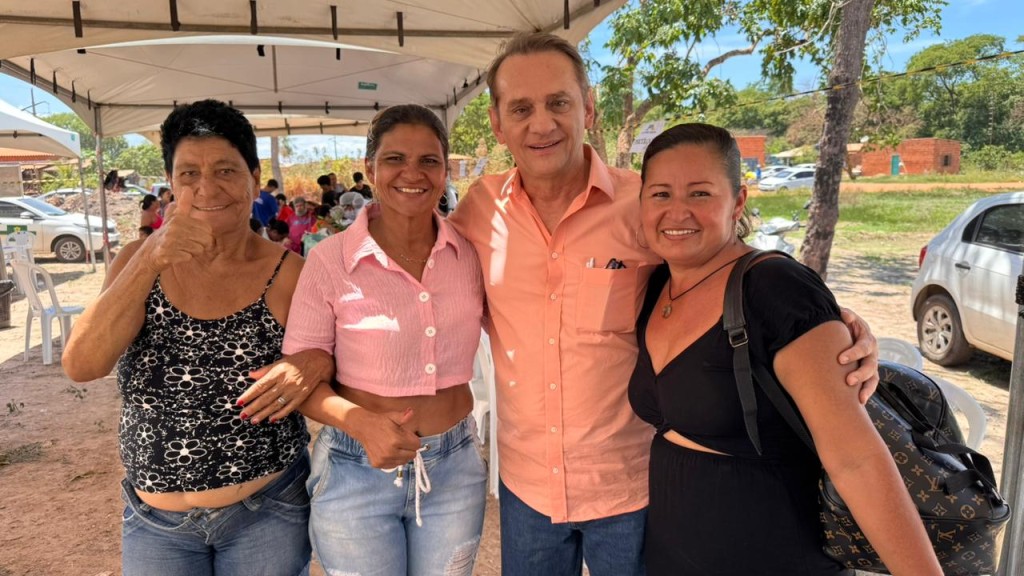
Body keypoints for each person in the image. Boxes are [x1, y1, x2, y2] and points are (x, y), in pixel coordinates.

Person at [448, 32, 880, 576]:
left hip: (633, 488)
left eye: (558, 102)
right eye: (521, 108)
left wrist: (835, 324)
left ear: (588, 108)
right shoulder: (480, 209)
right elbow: (428, 286)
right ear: (496, 122)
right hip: (527, 488)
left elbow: (734, 269)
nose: (542, 124)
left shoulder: (647, 202)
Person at [628, 123, 941, 575]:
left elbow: (856, 460)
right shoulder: (656, 285)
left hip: (776, 557)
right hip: (670, 558)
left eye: (700, 193)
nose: (678, 211)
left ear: (738, 202)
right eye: (661, 194)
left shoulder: (776, 288)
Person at [62, 99, 332, 576]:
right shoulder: (135, 262)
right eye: (189, 174)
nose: (207, 188)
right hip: (155, 523)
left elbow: (338, 358)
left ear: (253, 178)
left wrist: (317, 362)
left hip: (266, 511)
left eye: (226, 170)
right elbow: (82, 365)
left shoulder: (291, 272)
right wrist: (150, 259)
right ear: (172, 183)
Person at [282, 104, 487, 575]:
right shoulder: (331, 260)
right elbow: (300, 380)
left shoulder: (469, 253)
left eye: (429, 161)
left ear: (444, 171)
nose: (412, 173)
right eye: (395, 159)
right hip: (355, 470)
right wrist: (360, 423)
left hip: (454, 469)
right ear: (371, 168)